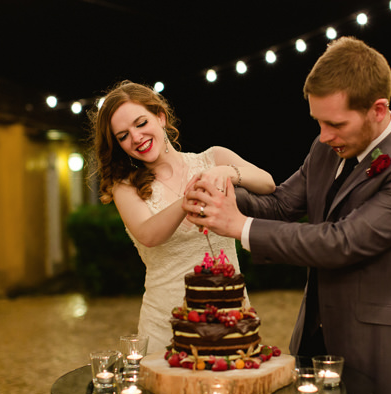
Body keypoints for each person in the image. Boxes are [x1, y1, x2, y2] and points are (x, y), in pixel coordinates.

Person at [183, 37, 391, 394]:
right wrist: (223, 196)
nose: (323, 136)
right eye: (318, 122)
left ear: (378, 109)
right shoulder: (326, 148)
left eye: (335, 123)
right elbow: (280, 204)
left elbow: (342, 242)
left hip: (383, 358)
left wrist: (238, 226)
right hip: (313, 347)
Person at [89, 81, 276, 354]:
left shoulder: (214, 158)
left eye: (141, 123)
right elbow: (148, 234)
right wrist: (185, 202)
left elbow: (268, 183)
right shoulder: (124, 186)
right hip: (165, 323)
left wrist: (228, 172)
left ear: (160, 117)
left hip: (229, 317)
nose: (136, 137)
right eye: (123, 135)